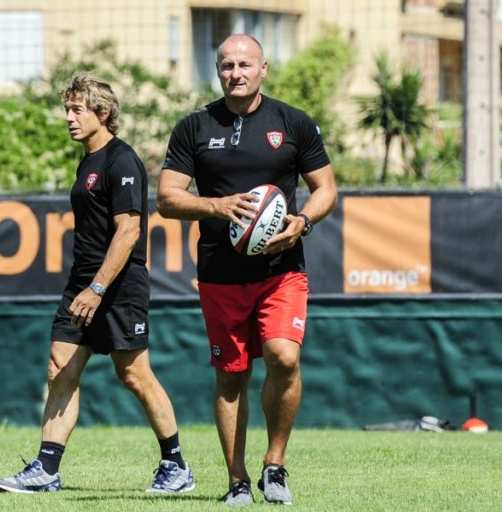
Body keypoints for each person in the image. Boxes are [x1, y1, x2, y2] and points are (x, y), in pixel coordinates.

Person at [156, 34, 337, 506]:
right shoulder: (194, 127)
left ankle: (274, 466)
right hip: (219, 274)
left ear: (264, 69)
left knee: (284, 357)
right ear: (218, 72)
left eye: (245, 64)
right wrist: (216, 206)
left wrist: (302, 222)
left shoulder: (293, 122)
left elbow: (325, 190)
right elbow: (167, 199)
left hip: (282, 270)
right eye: (226, 66)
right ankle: (236, 481)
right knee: (231, 376)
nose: (236, 73)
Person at [0, 75, 194, 495]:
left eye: (76, 110)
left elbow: (129, 232)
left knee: (134, 374)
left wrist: (98, 288)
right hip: (82, 281)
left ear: (103, 114)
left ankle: (176, 466)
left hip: (117, 285)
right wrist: (85, 285)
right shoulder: (87, 160)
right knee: (59, 369)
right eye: (66, 109)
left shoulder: (122, 160)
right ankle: (46, 468)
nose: (68, 118)